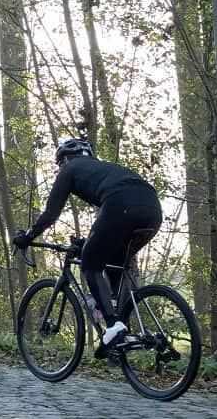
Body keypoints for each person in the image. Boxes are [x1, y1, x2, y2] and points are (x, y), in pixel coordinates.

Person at [12, 138, 163, 350]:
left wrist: (27, 236)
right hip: (152, 209)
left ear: (64, 159)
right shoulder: (105, 169)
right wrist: (88, 242)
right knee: (115, 263)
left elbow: (51, 213)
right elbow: (108, 225)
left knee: (91, 266)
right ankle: (122, 328)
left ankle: (113, 326)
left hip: (121, 204)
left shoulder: (70, 169)